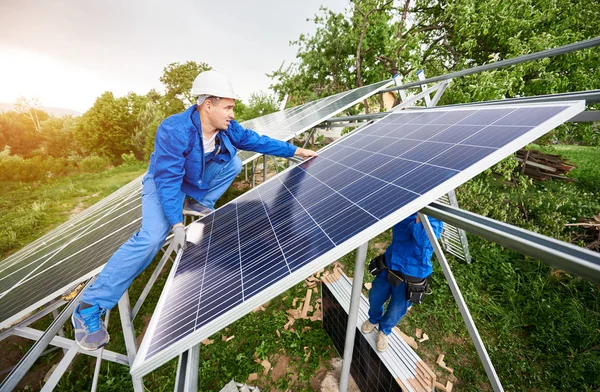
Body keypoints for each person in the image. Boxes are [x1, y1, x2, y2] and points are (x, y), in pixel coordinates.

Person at [72, 70, 317, 350]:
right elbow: (167, 180)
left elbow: (257, 141)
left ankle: (199, 202)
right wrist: (176, 223)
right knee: (152, 238)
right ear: (208, 105)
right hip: (164, 182)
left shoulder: (227, 129)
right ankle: (90, 305)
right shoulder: (174, 130)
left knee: (234, 163)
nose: (232, 114)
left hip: (194, 177)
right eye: (228, 107)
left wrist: (296, 152)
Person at [361, 212, 443, 352]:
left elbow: (424, 241)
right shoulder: (406, 209)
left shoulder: (434, 218)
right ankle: (374, 319)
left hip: (412, 274)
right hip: (390, 265)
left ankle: (384, 331)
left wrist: (420, 217)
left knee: (396, 309)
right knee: (375, 296)